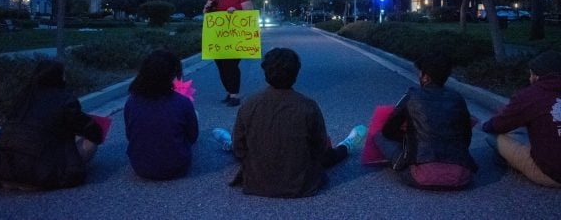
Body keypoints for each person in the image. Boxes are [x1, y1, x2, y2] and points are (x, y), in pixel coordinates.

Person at [212, 48, 367, 198]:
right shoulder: (308, 106)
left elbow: (240, 148)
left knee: (241, 147)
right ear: (296, 74)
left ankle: (228, 142)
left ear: (266, 73)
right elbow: (319, 149)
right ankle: (347, 144)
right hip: (301, 183)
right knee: (327, 155)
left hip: (256, 181)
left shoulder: (249, 104)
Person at [0, 60, 103, 190]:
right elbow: (90, 130)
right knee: (89, 142)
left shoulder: (22, 98)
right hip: (37, 172)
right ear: (58, 77)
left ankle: (11, 180)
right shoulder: (65, 100)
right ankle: (39, 178)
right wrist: (97, 132)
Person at [375, 51, 477, 190]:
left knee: (379, 136)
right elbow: (466, 138)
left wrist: (408, 137)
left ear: (425, 77)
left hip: (421, 175)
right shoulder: (458, 98)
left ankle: (404, 162)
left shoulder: (412, 96)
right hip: (461, 176)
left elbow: (388, 131)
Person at [482, 50, 561, 188]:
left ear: (537, 76)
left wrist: (487, 124)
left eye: (531, 74)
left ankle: (510, 162)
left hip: (553, 174)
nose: (530, 79)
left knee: (493, 138)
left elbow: (497, 126)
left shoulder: (531, 95)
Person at [124, 49, 199, 180]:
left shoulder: (131, 101)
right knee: (193, 115)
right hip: (177, 167)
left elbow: (130, 134)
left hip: (140, 167)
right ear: (172, 75)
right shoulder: (182, 101)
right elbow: (192, 137)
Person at [203, 0, 254, 107]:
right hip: (218, 37)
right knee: (220, 65)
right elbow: (207, 13)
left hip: (235, 37)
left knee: (230, 65)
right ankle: (229, 90)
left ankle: (235, 95)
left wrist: (236, 12)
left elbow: (249, 13)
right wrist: (208, 8)